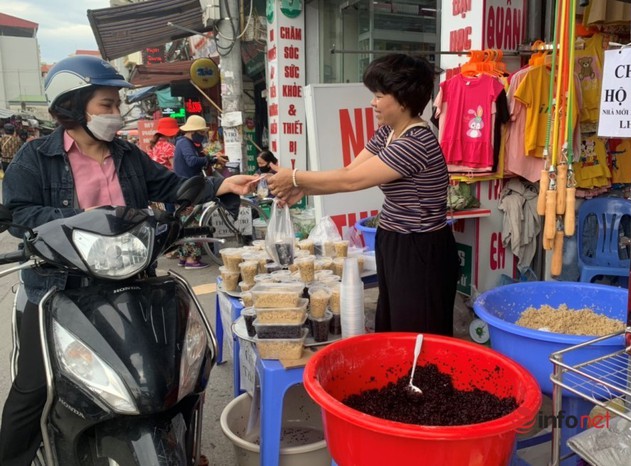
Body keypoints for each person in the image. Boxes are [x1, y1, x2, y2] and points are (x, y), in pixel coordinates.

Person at [0, 55, 257, 466]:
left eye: (117, 104)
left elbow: (172, 187)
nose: (116, 114)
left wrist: (222, 183)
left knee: (174, 368)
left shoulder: (127, 155)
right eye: (106, 104)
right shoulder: (35, 158)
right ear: (72, 106)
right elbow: (21, 214)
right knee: (35, 386)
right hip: (58, 286)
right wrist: (84, 224)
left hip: (132, 280)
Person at [266, 53, 459, 336]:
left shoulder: (417, 142)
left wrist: (294, 176)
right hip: (394, 240)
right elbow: (349, 170)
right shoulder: (388, 133)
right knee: (394, 325)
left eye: (379, 95)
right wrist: (301, 187)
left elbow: (351, 181)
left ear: (403, 99)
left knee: (418, 332)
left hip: (421, 249)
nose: (373, 102)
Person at [173, 115, 219, 269]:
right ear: (193, 132)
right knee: (192, 223)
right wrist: (208, 159)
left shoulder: (185, 143)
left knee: (185, 223)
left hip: (184, 186)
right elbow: (191, 161)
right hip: (188, 188)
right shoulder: (185, 143)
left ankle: (184, 257)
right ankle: (192, 259)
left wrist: (208, 158)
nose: (203, 135)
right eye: (201, 132)